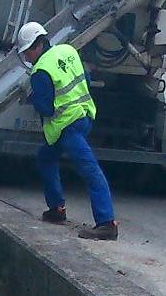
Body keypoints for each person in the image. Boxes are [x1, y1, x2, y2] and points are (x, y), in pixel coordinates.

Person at [15, 21, 118, 240]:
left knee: (90, 170)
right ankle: (56, 209)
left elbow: (45, 108)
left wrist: (32, 97)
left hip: (66, 126)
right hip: (83, 116)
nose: (26, 58)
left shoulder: (40, 71)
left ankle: (107, 223)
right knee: (45, 157)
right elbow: (86, 80)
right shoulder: (68, 50)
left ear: (37, 46)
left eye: (26, 53)